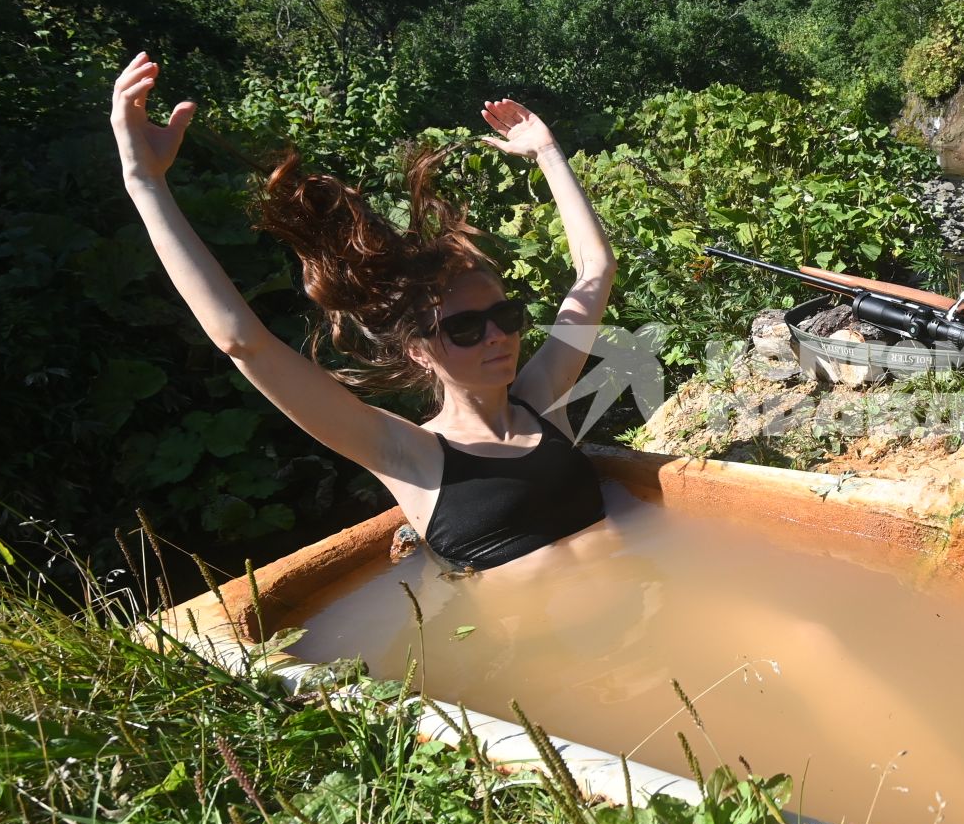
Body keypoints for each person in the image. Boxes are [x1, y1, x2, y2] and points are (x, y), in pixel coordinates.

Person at [111, 52, 617, 574]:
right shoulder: (406, 453)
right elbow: (244, 342)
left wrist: (547, 152)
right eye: (465, 327)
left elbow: (594, 272)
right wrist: (144, 183)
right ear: (418, 351)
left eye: (505, 316)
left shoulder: (542, 402)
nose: (496, 336)